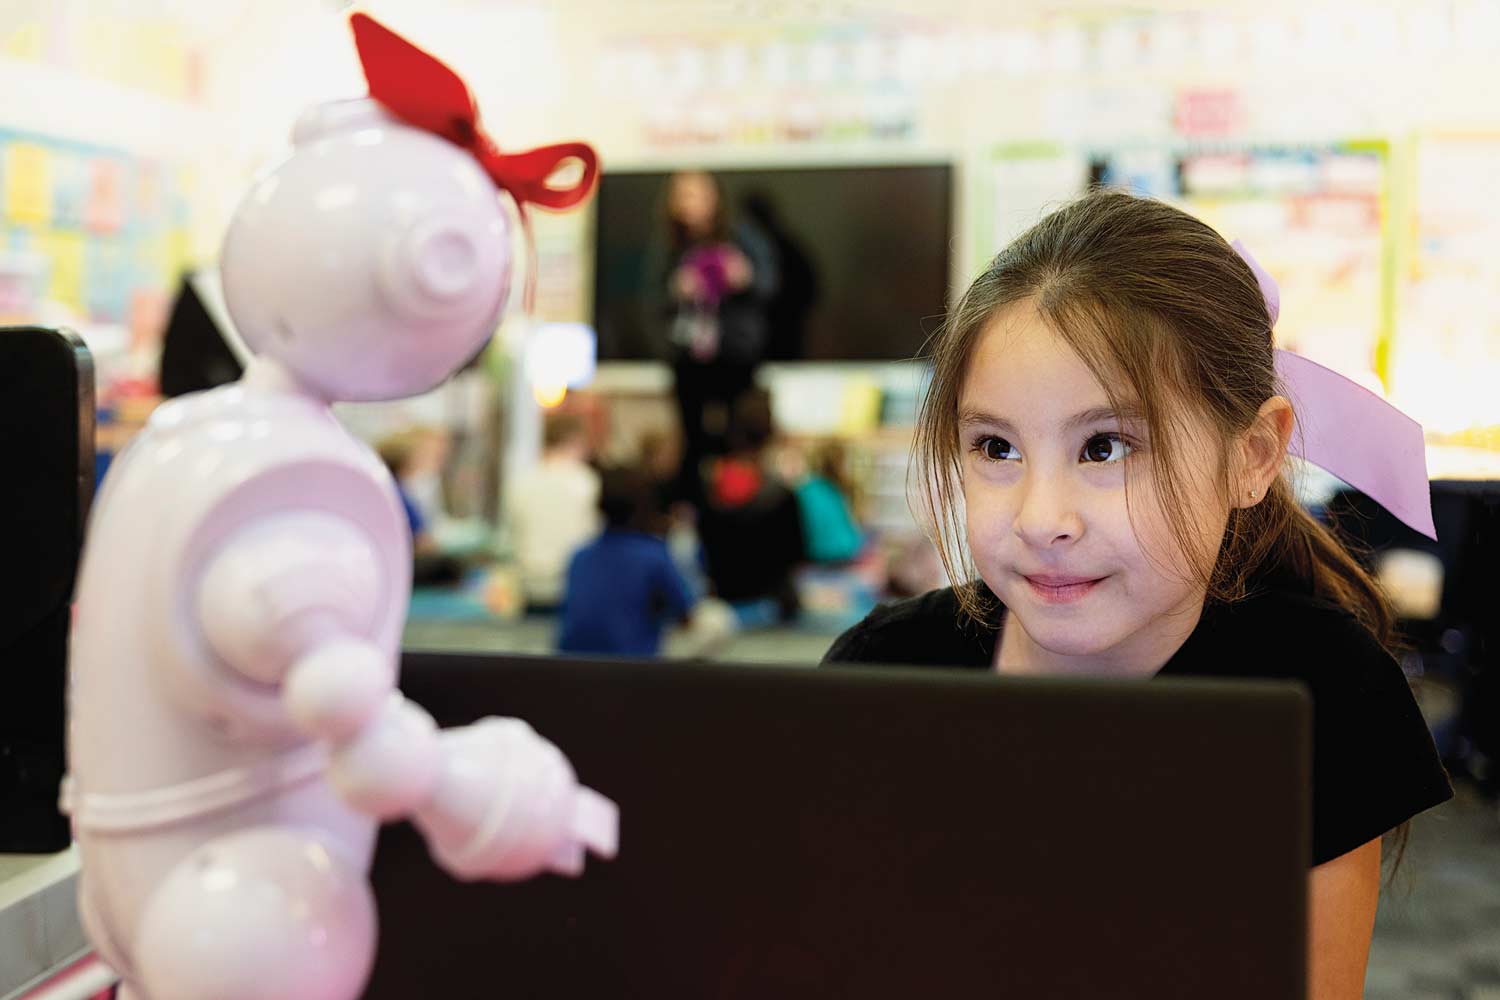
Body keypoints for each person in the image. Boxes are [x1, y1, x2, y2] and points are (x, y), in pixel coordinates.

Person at [823, 190, 1452, 1000]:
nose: (1041, 518)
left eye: (1106, 446)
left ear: (1253, 456)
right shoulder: (883, 675)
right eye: (995, 447)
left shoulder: (1321, 690)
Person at [648, 170, 778, 504]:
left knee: (740, 438)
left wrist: (744, 276)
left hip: (737, 355)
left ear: (716, 197)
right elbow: (649, 300)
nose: (692, 202)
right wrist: (675, 289)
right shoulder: (666, 245)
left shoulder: (743, 237)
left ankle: (739, 506)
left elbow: (771, 285)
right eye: (684, 194)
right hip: (688, 357)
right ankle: (695, 511)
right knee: (692, 441)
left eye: (699, 193)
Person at [557, 465, 695, 657]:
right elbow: (686, 616)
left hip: (570, 663)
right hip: (630, 666)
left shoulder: (579, 557)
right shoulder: (652, 556)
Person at [698, 388, 805, 624]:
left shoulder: (710, 486)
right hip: (771, 613)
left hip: (724, 612)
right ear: (770, 433)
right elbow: (796, 557)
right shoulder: (781, 496)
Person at [503, 412, 600, 612]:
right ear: (576, 441)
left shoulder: (522, 481)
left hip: (529, 587)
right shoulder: (587, 482)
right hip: (571, 587)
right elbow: (593, 537)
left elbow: (511, 534)